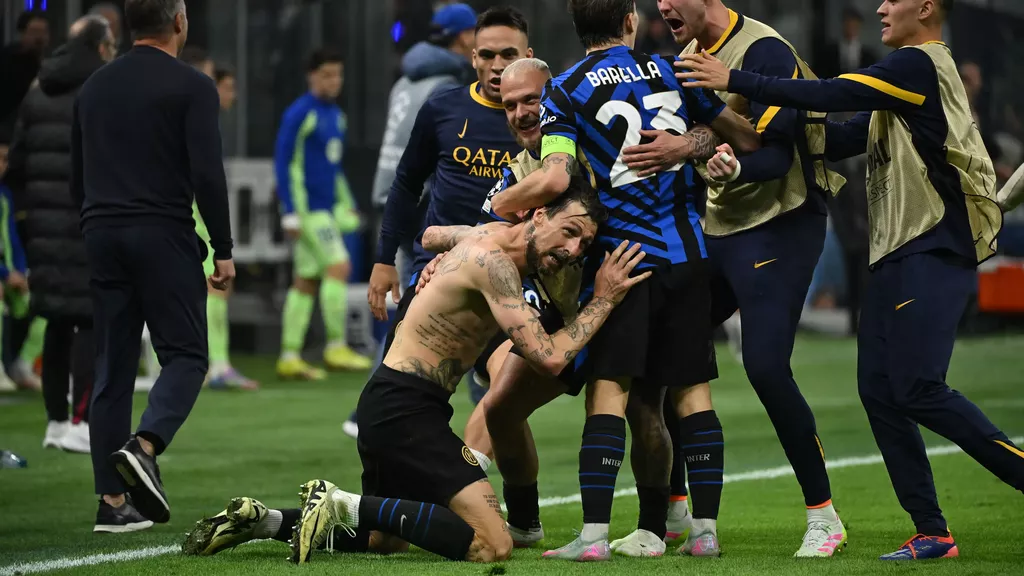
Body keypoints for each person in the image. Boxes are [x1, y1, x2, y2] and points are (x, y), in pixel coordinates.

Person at [679, 0, 1024, 560]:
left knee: (918, 387)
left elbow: (834, 92)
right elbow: (837, 137)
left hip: (935, 246)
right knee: (879, 391)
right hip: (897, 252)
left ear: (927, 8)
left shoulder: (919, 64)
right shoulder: (904, 88)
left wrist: (735, 80)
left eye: (893, 0)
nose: (881, 8)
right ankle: (932, 531)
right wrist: (754, 136)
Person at [181, 182, 643, 564]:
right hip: (407, 412)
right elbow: (549, 358)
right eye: (570, 232)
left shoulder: (487, 237)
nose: (573, 250)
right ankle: (341, 502)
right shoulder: (495, 264)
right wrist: (604, 298)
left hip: (391, 402)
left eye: (583, 245)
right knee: (492, 544)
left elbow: (431, 235)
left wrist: (447, 254)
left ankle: (264, 521)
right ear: (538, 215)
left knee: (387, 540)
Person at [487, 0, 759, 561]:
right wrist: (693, 141)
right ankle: (704, 533)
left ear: (577, 28)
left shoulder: (564, 90)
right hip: (687, 252)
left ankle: (593, 537)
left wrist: (499, 205)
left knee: (609, 392)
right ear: (631, 20)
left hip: (623, 260)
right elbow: (742, 136)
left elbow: (556, 177)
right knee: (692, 393)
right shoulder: (674, 69)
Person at [418, 55, 723, 550]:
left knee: (644, 406)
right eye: (509, 105)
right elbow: (487, 236)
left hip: (617, 298)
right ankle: (525, 521)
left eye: (531, 100)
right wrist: (448, 250)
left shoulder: (590, 151)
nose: (522, 113)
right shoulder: (518, 174)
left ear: (554, 98)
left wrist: (695, 150)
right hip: (564, 315)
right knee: (500, 408)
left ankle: (658, 520)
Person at [608, 0, 849, 557]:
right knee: (668, 354)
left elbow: (776, 155)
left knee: (764, 366)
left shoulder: (764, 50)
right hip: (717, 227)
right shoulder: (689, 55)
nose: (662, 6)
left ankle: (824, 517)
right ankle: (673, 511)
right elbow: (703, 139)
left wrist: (733, 165)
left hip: (779, 224)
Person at [73, 0, 235, 531]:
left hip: (101, 233)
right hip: (162, 233)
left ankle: (112, 504)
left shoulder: (94, 87)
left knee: (112, 369)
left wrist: (91, 228)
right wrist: (223, 247)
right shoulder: (192, 86)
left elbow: (77, 174)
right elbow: (207, 174)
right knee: (186, 356)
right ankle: (144, 446)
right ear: (178, 21)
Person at [349, 6, 534, 440]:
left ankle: (485, 479)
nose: (497, 65)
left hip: (513, 277)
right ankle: (407, 475)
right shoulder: (443, 108)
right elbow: (405, 184)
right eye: (487, 55)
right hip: (438, 272)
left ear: (528, 56)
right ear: (472, 57)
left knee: (503, 401)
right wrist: (383, 259)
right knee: (400, 397)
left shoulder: (549, 117)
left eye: (508, 54)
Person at [5, 16, 119, 457]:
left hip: (41, 228)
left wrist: (30, 216)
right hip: (88, 222)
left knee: (56, 319)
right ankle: (81, 422)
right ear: (102, 47)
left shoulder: (37, 90)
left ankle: (55, 421)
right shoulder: (101, 90)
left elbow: (16, 162)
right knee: (90, 319)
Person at [274, 48, 370, 379]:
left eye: (338, 75)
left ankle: (289, 355)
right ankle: (335, 346)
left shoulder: (336, 116)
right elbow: (283, 162)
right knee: (339, 266)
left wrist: (347, 200)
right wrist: (289, 210)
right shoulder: (300, 113)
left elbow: (334, 167)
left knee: (305, 281)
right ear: (311, 76)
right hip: (308, 210)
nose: (334, 81)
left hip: (326, 208)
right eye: (327, 75)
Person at [370, 2, 478, 291]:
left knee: (410, 283)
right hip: (421, 200)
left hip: (393, 191)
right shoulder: (445, 87)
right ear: (464, 37)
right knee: (427, 289)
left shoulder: (405, 82)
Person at [183, 55, 257, 389]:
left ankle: (204, 364)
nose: (227, 94)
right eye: (218, 83)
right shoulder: (193, 116)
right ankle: (217, 366)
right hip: (190, 214)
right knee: (215, 285)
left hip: (186, 213)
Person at [0, 128, 25, 392]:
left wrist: (20, 271)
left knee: (42, 303)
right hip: (3, 275)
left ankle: (22, 364)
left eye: (5, 159)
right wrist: (5, 274)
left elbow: (12, 238)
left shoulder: (5, 195)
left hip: (9, 273)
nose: (2, 164)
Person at [0, 10, 50, 126]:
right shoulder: (7, 62)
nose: (39, 38)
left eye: (43, 32)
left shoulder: (50, 64)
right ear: (22, 34)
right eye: (34, 32)